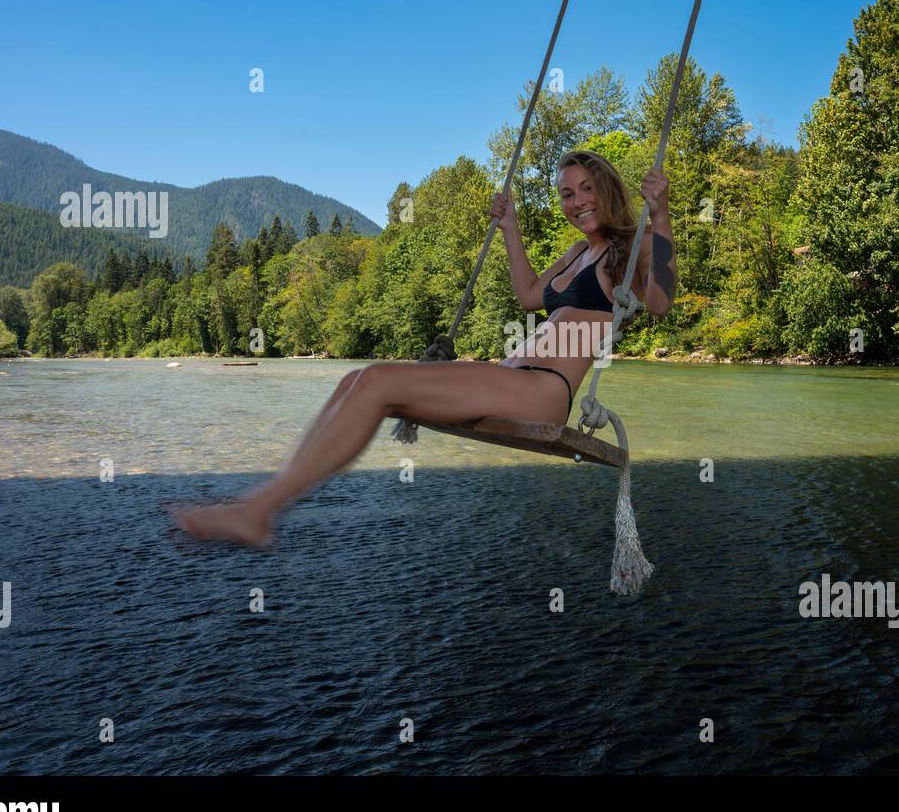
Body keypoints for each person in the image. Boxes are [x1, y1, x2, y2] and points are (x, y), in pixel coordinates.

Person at [169, 150, 677, 546]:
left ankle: (259, 511)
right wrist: (510, 229)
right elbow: (528, 295)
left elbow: (660, 302)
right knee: (356, 379)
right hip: (513, 376)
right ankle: (264, 503)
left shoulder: (628, 248)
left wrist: (661, 215)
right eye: (566, 193)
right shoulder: (576, 252)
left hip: (541, 390)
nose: (577, 201)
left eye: (586, 188)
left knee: (377, 381)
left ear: (607, 190)